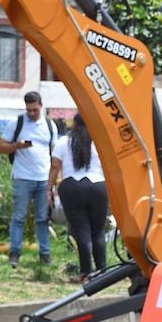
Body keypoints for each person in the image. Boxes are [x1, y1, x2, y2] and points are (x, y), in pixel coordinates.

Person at [0, 91, 58, 268]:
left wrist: (55, 180)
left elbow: (54, 153)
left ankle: (45, 254)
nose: (31, 113)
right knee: (19, 217)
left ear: (41, 105)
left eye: (35, 110)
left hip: (43, 179)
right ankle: (14, 253)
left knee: (42, 218)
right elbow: (1, 148)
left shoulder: (50, 125)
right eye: (29, 110)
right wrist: (17, 145)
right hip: (22, 178)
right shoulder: (16, 123)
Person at [47, 113, 108, 283]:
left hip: (72, 187)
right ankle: (103, 272)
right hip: (98, 187)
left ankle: (86, 273)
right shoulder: (100, 142)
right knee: (98, 231)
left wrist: (49, 189)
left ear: (74, 124)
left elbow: (54, 166)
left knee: (82, 230)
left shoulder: (64, 142)